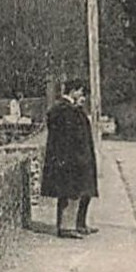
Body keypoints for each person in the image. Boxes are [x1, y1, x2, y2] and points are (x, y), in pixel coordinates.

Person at [41, 81, 98, 239]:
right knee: (69, 192)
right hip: (68, 158)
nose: (83, 97)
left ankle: (76, 224)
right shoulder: (63, 109)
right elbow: (67, 137)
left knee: (77, 191)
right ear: (73, 91)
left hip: (73, 156)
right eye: (81, 92)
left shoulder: (69, 109)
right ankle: (66, 227)